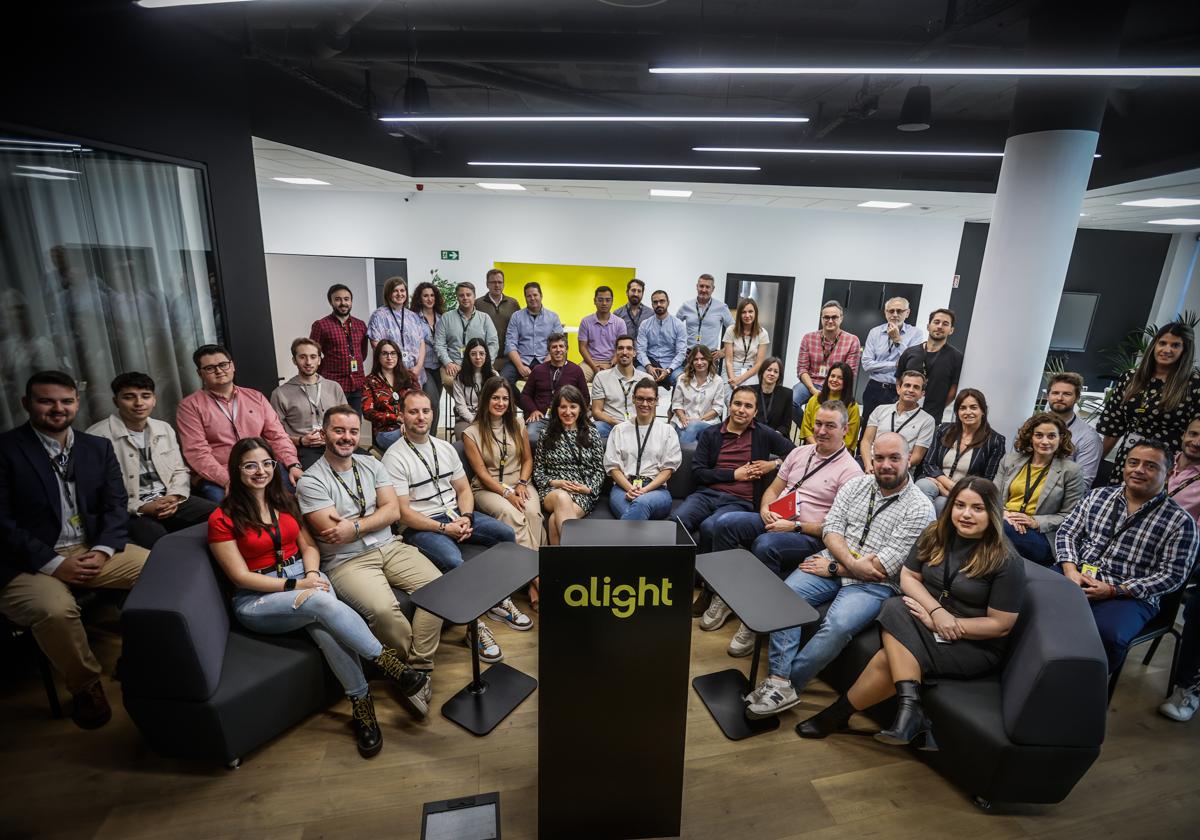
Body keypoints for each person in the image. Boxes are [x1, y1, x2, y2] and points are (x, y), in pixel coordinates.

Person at [209, 437, 429, 758]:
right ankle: (393, 667)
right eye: (250, 465)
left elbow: (309, 547)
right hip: (259, 597)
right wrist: (296, 586)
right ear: (236, 469)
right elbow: (240, 577)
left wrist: (311, 575)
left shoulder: (284, 501)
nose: (260, 471)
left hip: (304, 575)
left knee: (325, 628)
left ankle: (362, 706)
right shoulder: (221, 518)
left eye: (267, 464)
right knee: (320, 602)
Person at [795, 477, 1024, 747]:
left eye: (977, 508)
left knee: (885, 658)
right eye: (960, 505)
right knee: (894, 604)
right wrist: (936, 612)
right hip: (928, 619)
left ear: (993, 512)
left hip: (972, 642)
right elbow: (908, 577)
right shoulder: (935, 534)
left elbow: (1000, 625)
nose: (966, 514)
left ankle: (840, 715)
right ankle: (909, 710)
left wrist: (941, 622)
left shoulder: (1006, 560)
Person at [743, 433, 935, 719]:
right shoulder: (856, 485)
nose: (885, 464)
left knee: (837, 625)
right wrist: (845, 562)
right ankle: (779, 681)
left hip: (875, 585)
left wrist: (836, 567)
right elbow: (831, 527)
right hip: (834, 559)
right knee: (784, 596)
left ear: (909, 459)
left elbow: (883, 568)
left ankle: (787, 684)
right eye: (879, 457)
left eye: (894, 458)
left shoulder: (921, 509)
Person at [0, 371, 150, 729]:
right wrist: (53, 564)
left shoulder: (95, 448)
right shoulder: (6, 451)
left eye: (66, 401)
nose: (58, 409)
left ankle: (137, 659)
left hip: (90, 548)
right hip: (25, 561)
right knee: (54, 610)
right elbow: (1, 524)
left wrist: (102, 550)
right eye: (46, 401)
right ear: (26, 404)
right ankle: (86, 686)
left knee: (160, 570)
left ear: (77, 403)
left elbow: (116, 505)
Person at [296, 405, 443, 714]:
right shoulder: (311, 481)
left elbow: (393, 511)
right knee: (383, 611)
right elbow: (333, 531)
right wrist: (375, 516)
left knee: (439, 588)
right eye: (339, 430)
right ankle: (406, 670)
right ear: (324, 434)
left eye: (352, 431)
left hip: (390, 545)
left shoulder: (371, 463)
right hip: (347, 562)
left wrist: (357, 524)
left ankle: (418, 668)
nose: (347, 437)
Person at [707, 401, 863, 656]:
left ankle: (756, 620)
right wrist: (766, 509)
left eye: (830, 426)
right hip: (777, 517)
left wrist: (795, 526)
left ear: (845, 430)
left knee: (765, 545)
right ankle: (723, 597)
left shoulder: (851, 473)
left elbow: (836, 528)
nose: (822, 431)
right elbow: (774, 489)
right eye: (819, 424)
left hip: (808, 533)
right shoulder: (800, 453)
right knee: (725, 524)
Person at [383, 390, 522, 663]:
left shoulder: (444, 447)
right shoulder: (394, 457)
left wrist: (467, 517)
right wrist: (445, 529)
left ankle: (497, 600)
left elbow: (463, 489)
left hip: (457, 514)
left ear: (432, 414)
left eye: (425, 411)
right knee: (451, 559)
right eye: (413, 412)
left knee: (505, 535)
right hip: (421, 526)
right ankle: (474, 627)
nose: (421, 417)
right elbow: (403, 513)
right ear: (402, 415)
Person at [1055, 439, 1198, 673]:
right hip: (1075, 573)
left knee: (1105, 635)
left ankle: (1079, 690)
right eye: (1133, 462)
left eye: (1151, 466)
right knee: (1030, 602)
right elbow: (1068, 532)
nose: (1139, 470)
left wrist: (1114, 590)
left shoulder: (1181, 522)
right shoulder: (1097, 497)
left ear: (1169, 473)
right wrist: (1070, 569)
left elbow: (1172, 576)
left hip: (1128, 595)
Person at [87, 371, 214, 549]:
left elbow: (179, 470)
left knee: (220, 517)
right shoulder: (96, 436)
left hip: (170, 498)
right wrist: (141, 507)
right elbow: (98, 491)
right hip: (129, 509)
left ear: (154, 400)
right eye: (129, 397)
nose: (139, 403)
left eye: (145, 396)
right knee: (160, 542)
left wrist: (174, 496)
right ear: (116, 401)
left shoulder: (164, 428)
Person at [676, 386, 795, 554]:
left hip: (739, 501)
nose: (741, 410)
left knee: (711, 527)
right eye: (737, 404)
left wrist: (774, 464)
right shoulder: (711, 433)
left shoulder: (763, 433)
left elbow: (795, 453)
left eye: (748, 406)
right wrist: (734, 474)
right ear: (729, 406)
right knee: (677, 520)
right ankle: (678, 570)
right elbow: (698, 472)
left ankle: (704, 577)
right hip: (706, 495)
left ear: (755, 412)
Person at [176, 344, 302, 502]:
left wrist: (292, 465)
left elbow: (277, 436)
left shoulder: (255, 397)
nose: (219, 370)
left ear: (232, 366)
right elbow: (197, 453)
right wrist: (228, 480)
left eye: (223, 364)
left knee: (298, 494)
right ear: (200, 373)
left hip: (262, 467)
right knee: (229, 510)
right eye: (210, 368)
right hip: (222, 474)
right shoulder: (189, 406)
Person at [462, 377, 543, 607]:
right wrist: (507, 494)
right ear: (486, 399)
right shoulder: (471, 433)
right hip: (489, 489)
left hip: (519, 483)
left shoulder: (518, 424)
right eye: (495, 398)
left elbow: (528, 459)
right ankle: (537, 580)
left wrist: (522, 483)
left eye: (505, 398)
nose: (500, 402)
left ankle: (530, 581)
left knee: (532, 513)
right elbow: (482, 474)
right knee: (512, 515)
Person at [1097, 321, 1200, 484]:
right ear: (1154, 345)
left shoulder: (1194, 385)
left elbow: (1195, 436)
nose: (1167, 350)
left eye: (1175, 345)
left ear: (1184, 351)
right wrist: (1096, 463)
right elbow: (1113, 426)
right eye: (1163, 343)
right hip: (1129, 456)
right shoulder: (1130, 378)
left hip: (1167, 464)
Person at [994, 411, 1084, 566]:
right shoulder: (1010, 461)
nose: (1045, 441)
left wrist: (1034, 521)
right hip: (1004, 519)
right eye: (1039, 435)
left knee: (995, 528)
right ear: (1030, 437)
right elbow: (992, 496)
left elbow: (1069, 516)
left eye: (1051, 436)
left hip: (1040, 534)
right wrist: (1004, 513)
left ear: (1061, 438)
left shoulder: (1071, 470)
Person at [1160, 417, 1200, 722]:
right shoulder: (1157, 461)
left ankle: (1188, 687)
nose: (1197, 441)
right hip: (1132, 547)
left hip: (1181, 555)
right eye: (1194, 433)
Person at [533, 385, 606, 545]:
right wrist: (555, 482)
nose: (568, 412)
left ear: (580, 408)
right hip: (552, 491)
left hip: (582, 492)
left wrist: (588, 489)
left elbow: (600, 470)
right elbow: (538, 472)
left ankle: (559, 568)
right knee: (561, 497)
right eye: (563, 407)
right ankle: (577, 556)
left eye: (573, 406)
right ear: (556, 409)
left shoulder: (592, 433)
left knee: (553, 520)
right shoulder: (545, 435)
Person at [915, 389, 1007, 513]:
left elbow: (987, 480)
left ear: (983, 410)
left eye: (973, 407)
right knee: (922, 486)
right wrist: (945, 485)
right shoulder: (943, 430)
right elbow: (929, 463)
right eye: (963, 408)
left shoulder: (995, 441)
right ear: (957, 412)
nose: (968, 412)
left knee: (941, 504)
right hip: (935, 481)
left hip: (966, 493)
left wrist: (952, 490)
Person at [605, 378, 682, 521]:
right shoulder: (619, 430)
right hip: (623, 488)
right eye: (640, 399)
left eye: (650, 400)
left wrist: (644, 491)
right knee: (634, 510)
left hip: (656, 490)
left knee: (640, 503)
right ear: (633, 399)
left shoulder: (668, 431)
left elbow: (667, 470)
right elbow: (613, 467)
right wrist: (630, 488)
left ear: (657, 401)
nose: (645, 404)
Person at [271, 337, 348, 468]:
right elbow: (275, 435)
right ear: (294, 360)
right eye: (302, 357)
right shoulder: (280, 393)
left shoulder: (334, 387)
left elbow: (347, 420)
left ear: (319, 360)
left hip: (336, 443)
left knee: (369, 464)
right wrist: (301, 441)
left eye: (313, 357)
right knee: (321, 475)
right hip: (304, 449)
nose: (308, 362)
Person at [792, 300, 862, 429]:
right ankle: (811, 429)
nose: (830, 321)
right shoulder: (808, 338)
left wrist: (830, 389)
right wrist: (813, 389)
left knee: (837, 412)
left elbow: (850, 373)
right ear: (821, 318)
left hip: (837, 385)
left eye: (834, 317)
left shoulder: (852, 340)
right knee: (790, 401)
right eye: (826, 317)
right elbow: (802, 369)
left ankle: (830, 433)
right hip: (810, 383)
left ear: (841, 318)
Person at [860, 297, 926, 427]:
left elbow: (912, 363)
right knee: (867, 426)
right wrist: (894, 365)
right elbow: (867, 364)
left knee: (891, 429)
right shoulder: (875, 332)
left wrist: (897, 340)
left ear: (907, 313)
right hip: (875, 387)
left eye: (899, 311)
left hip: (898, 390)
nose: (895, 314)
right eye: (891, 311)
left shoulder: (915, 333)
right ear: (885, 313)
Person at [859, 370, 936, 473]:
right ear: (898, 388)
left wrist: (892, 468)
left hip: (901, 471)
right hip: (871, 464)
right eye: (907, 385)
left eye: (916, 387)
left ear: (922, 394)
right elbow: (866, 441)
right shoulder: (880, 410)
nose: (911, 390)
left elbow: (917, 457)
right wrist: (868, 465)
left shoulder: (927, 420)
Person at [309, 284, 369, 415]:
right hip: (333, 385)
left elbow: (362, 353)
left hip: (358, 384)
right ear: (331, 302)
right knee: (335, 423)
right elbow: (313, 355)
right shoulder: (321, 325)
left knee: (355, 422)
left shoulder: (360, 325)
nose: (343, 303)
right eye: (338, 299)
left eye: (346, 299)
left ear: (351, 301)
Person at [519, 333, 588, 445]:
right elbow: (525, 395)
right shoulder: (538, 370)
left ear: (566, 349)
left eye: (561, 346)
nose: (558, 350)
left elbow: (585, 397)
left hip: (567, 416)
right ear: (549, 350)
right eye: (554, 347)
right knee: (531, 438)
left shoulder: (576, 370)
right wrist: (533, 410)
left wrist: (575, 414)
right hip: (541, 418)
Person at [896, 308, 963, 422]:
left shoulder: (956, 357)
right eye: (936, 322)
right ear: (928, 326)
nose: (940, 326)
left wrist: (938, 406)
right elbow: (899, 379)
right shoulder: (910, 352)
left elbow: (954, 388)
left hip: (932, 417)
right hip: (904, 413)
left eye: (945, 324)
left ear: (951, 330)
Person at [434, 281, 499, 390]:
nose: (465, 298)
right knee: (452, 383)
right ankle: (463, 405)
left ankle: (476, 406)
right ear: (457, 298)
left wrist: (485, 363)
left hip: (479, 364)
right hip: (454, 364)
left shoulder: (484, 318)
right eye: (461, 295)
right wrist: (447, 362)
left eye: (468, 295)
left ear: (474, 297)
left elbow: (493, 344)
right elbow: (439, 344)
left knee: (494, 383)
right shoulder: (446, 318)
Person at [1045, 371, 1103, 490]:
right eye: (1055, 393)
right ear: (1048, 396)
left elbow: (1082, 485)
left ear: (1077, 398)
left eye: (1067, 394)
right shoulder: (1030, 427)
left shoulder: (1089, 437)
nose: (1059, 398)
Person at [501, 281, 563, 387]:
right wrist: (520, 366)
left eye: (535, 295)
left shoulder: (553, 317)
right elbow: (510, 344)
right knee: (503, 380)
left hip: (546, 361)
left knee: (559, 380)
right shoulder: (516, 316)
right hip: (521, 360)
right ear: (525, 298)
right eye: (529, 296)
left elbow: (559, 343)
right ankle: (521, 402)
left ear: (541, 296)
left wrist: (544, 366)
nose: (532, 298)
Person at [362, 339, 417, 451]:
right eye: (385, 353)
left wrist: (407, 421)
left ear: (398, 356)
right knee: (411, 440)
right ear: (378, 357)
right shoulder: (370, 381)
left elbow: (420, 402)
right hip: (385, 431)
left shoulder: (409, 377)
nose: (389, 357)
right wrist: (396, 418)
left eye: (393, 353)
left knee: (419, 436)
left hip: (410, 425)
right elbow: (368, 412)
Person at [591, 335, 648, 440]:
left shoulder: (646, 379)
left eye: (629, 348)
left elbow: (651, 412)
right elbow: (596, 411)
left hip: (638, 425)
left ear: (635, 353)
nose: (625, 352)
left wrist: (634, 425)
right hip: (611, 425)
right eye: (620, 348)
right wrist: (617, 423)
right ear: (615, 352)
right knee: (594, 429)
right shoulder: (601, 377)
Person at [367, 276, 426, 374]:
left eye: (402, 290)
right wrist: (394, 367)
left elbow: (422, 343)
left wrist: (418, 367)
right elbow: (376, 345)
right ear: (388, 293)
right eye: (395, 291)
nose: (399, 294)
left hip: (415, 373)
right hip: (391, 373)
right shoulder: (378, 316)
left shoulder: (413, 316)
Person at [671, 345, 729, 444]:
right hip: (684, 422)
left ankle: (683, 457)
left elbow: (718, 408)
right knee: (693, 442)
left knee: (693, 427)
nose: (699, 363)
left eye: (703, 359)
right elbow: (677, 404)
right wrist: (683, 418)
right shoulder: (682, 378)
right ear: (691, 362)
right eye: (696, 359)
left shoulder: (717, 381)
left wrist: (698, 420)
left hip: (708, 423)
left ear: (709, 360)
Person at [799, 362, 861, 449]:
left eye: (840, 378)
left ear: (847, 382)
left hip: (838, 453)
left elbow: (849, 439)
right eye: (832, 376)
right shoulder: (815, 399)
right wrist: (818, 447)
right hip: (812, 447)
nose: (834, 380)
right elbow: (806, 429)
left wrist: (829, 451)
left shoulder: (852, 407)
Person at [677, 273, 734, 364]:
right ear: (697, 287)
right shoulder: (686, 306)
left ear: (713, 289)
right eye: (701, 286)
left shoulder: (722, 307)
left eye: (707, 287)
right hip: (689, 355)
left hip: (710, 355)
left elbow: (735, 330)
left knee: (710, 379)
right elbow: (674, 327)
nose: (704, 290)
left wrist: (724, 351)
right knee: (688, 378)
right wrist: (679, 348)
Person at [637, 289, 687, 388]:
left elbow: (681, 353)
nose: (659, 304)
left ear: (668, 302)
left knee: (683, 381)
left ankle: (675, 404)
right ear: (652, 305)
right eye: (655, 302)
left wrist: (669, 370)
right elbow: (640, 350)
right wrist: (648, 367)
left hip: (672, 366)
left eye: (662, 301)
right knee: (637, 377)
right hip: (649, 364)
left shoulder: (678, 325)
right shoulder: (645, 324)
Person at [412, 280, 445, 428]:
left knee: (434, 405)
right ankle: (428, 436)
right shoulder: (413, 318)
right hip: (424, 366)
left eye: (432, 295)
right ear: (420, 298)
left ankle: (432, 437)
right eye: (425, 296)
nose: (429, 298)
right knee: (433, 402)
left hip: (440, 366)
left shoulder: (442, 317)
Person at [577, 285, 626, 382]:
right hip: (590, 363)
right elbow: (582, 347)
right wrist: (594, 367)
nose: (604, 303)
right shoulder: (586, 321)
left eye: (608, 300)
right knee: (577, 379)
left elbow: (622, 347)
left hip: (613, 362)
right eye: (600, 300)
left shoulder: (620, 323)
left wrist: (611, 364)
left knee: (624, 380)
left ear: (612, 302)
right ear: (594, 301)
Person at [451, 338, 495, 440]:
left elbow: (495, 401)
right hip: (465, 419)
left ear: (486, 355)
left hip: (489, 418)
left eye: (481, 353)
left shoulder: (494, 375)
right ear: (468, 356)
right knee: (466, 438)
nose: (478, 357)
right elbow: (460, 406)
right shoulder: (459, 377)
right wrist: (475, 421)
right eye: (473, 354)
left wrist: (485, 420)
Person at [722, 297, 770, 388]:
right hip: (731, 370)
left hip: (751, 371)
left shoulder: (763, 333)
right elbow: (728, 361)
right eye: (744, 312)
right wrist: (733, 381)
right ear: (739, 314)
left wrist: (739, 379)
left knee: (750, 399)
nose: (747, 315)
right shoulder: (730, 330)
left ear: (755, 313)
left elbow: (759, 364)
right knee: (731, 398)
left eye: (750, 312)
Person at [476, 268, 521, 352]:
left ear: (503, 284)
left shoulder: (513, 303)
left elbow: (519, 328)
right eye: (493, 282)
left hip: (509, 354)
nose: (497, 285)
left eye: (500, 282)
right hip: (484, 354)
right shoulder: (477, 304)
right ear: (487, 284)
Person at [754, 357, 791, 437]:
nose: (772, 374)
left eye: (776, 372)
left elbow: (786, 425)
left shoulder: (787, 394)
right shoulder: (751, 391)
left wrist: (774, 436)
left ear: (779, 375)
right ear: (762, 371)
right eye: (769, 370)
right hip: (754, 436)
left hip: (776, 437)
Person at [614, 277, 652, 342]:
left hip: (644, 351)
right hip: (625, 351)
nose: (636, 294)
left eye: (639, 291)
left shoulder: (651, 313)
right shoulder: (617, 314)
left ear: (642, 294)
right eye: (633, 290)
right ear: (627, 292)